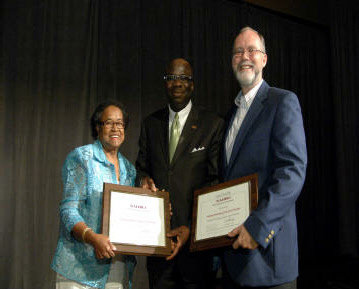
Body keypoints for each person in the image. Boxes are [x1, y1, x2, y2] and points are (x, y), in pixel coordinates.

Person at [221, 27, 307, 289]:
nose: (244, 56)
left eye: (251, 50)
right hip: (234, 262)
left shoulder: (282, 102)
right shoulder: (230, 116)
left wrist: (257, 227)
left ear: (264, 59)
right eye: (238, 52)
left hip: (268, 259)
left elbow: (292, 172)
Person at [136, 58, 224, 289]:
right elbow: (141, 168)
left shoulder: (212, 124)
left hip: (196, 245)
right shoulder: (150, 124)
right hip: (158, 242)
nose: (177, 83)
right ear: (165, 84)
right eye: (171, 78)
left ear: (192, 84)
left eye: (183, 78)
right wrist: (142, 179)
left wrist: (190, 227)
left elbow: (215, 182)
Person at [51, 100, 136, 289]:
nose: (116, 128)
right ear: (98, 127)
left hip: (117, 268)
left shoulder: (129, 169)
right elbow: (68, 210)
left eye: (120, 123)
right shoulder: (82, 158)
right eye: (109, 122)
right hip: (79, 270)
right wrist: (92, 237)